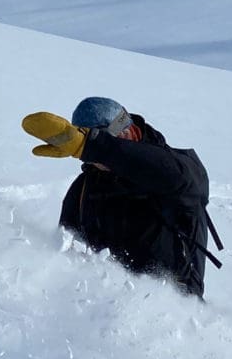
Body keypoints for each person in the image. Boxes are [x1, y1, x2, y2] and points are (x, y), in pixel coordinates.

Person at [21, 97, 221, 297]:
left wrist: (94, 146)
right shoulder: (83, 189)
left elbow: (174, 177)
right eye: (90, 156)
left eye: (108, 141)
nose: (97, 160)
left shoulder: (181, 169)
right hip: (105, 310)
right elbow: (66, 250)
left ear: (131, 132)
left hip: (177, 312)